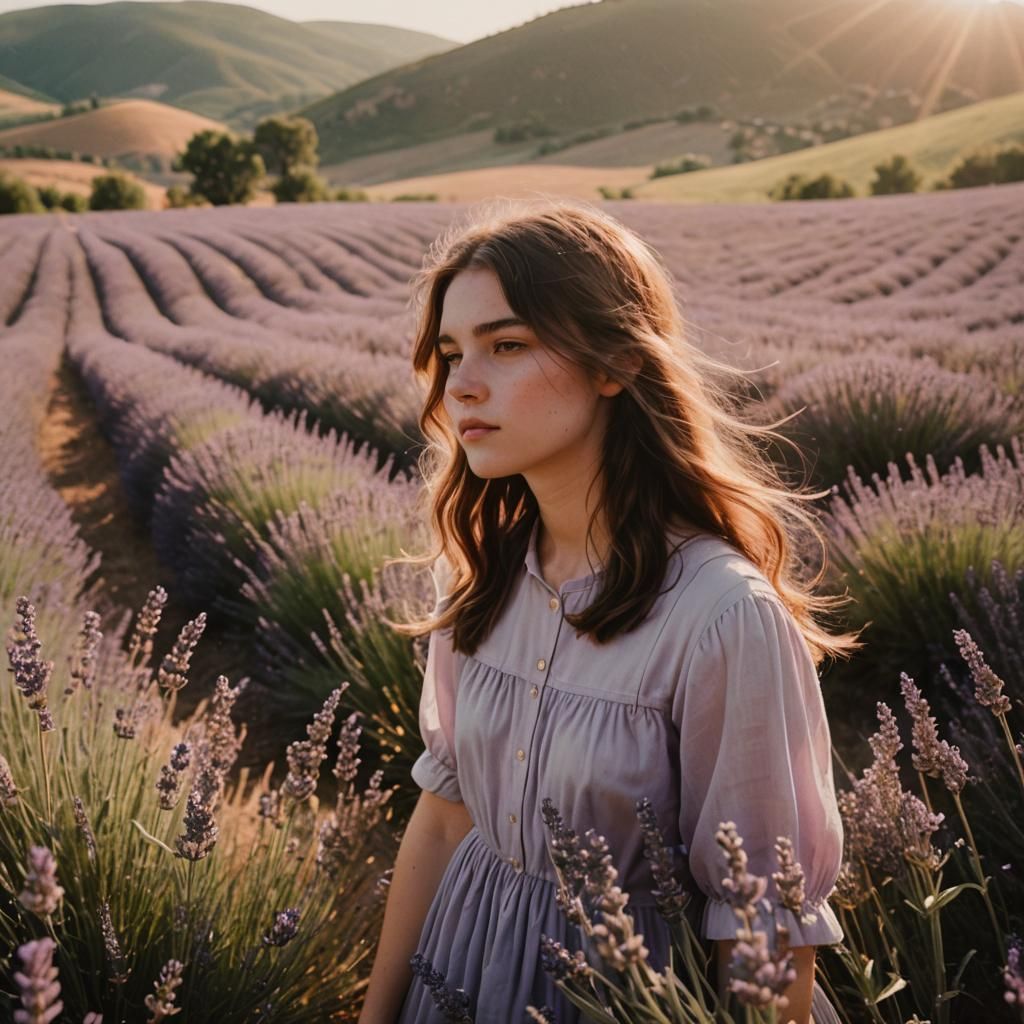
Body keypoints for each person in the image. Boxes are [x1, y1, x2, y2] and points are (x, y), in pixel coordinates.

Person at [357, 198, 863, 1024]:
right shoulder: (483, 583)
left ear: (616, 364)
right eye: (450, 354)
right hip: (461, 974)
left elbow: (764, 925)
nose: (462, 386)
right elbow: (448, 823)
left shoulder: (721, 617)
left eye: (507, 346)